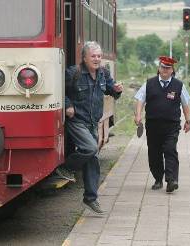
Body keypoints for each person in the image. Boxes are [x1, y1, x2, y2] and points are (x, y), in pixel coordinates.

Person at [56, 41, 123, 214]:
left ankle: (91, 198)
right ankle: (65, 168)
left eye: (99, 56)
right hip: (77, 120)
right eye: (93, 56)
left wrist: (117, 89)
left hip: (93, 122)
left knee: (92, 160)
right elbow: (57, 90)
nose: (97, 59)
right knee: (90, 148)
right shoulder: (73, 73)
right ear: (84, 57)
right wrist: (68, 104)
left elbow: (111, 91)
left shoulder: (103, 74)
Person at [134, 56, 190, 193]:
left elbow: (185, 104)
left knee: (170, 149)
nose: (165, 70)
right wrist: (138, 115)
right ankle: (158, 179)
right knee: (154, 153)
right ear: (159, 69)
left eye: (168, 68)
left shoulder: (179, 85)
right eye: (163, 67)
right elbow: (140, 100)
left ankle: (171, 180)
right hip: (153, 126)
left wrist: (188, 120)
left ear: (172, 70)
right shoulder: (149, 83)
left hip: (171, 126)